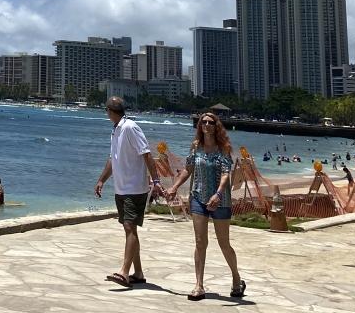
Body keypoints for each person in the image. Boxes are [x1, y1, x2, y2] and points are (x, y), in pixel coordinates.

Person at [167, 112, 245, 301]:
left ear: (216, 125)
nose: (207, 125)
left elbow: (226, 173)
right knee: (200, 242)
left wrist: (218, 194)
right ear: (200, 125)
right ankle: (199, 285)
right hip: (198, 198)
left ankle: (236, 278)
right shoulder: (196, 146)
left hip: (220, 201)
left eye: (210, 122)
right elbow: (188, 168)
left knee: (224, 243)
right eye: (204, 122)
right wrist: (174, 187)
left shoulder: (223, 148)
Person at [94, 97, 165, 289]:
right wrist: (101, 180)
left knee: (129, 227)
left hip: (135, 188)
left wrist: (156, 181)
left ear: (109, 111)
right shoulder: (116, 130)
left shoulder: (130, 127)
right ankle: (138, 273)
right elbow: (113, 159)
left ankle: (124, 272)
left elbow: (147, 154)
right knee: (130, 229)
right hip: (121, 188)